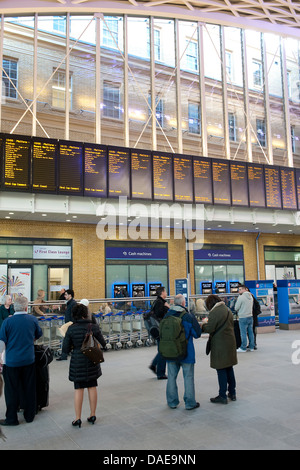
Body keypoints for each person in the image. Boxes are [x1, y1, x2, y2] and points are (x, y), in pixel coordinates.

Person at [62, 303, 106, 428]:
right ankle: (92, 415)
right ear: (85, 314)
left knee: (78, 389)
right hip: (92, 360)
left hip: (78, 362)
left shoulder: (71, 328)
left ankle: (77, 418)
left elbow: (65, 349)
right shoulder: (93, 327)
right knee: (92, 386)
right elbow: (103, 343)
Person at [0, 296, 42, 425]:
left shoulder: (7, 322)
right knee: (29, 387)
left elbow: (2, 342)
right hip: (28, 359)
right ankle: (29, 415)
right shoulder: (32, 319)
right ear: (26, 307)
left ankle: (12, 418)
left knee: (11, 390)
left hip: (12, 361)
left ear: (14, 307)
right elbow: (38, 335)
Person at [165, 294, 201, 410]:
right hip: (187, 352)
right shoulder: (188, 316)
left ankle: (172, 402)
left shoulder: (167, 315)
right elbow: (197, 334)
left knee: (171, 377)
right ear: (183, 303)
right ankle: (190, 403)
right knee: (188, 377)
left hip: (170, 352)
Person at [201, 294, 238, 404]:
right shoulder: (227, 309)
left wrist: (203, 325)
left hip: (220, 344)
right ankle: (232, 393)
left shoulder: (215, 312)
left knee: (221, 369)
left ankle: (222, 395)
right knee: (229, 368)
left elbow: (210, 328)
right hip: (230, 342)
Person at [148, 286, 170, 380]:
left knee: (162, 349)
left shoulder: (158, 301)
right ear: (162, 293)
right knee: (163, 350)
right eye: (165, 291)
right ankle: (160, 373)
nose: (166, 293)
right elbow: (159, 314)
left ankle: (153, 365)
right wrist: (167, 308)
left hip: (157, 329)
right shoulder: (160, 302)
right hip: (160, 329)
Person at [57, 289, 77, 361]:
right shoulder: (69, 303)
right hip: (69, 323)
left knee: (66, 340)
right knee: (68, 340)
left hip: (70, 324)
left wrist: (71, 323)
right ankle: (65, 355)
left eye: (66, 294)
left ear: (70, 295)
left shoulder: (73, 304)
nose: (64, 296)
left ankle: (64, 355)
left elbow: (73, 315)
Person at [234, 284, 255, 352]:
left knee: (243, 333)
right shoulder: (251, 296)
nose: (239, 291)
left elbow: (236, 308)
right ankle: (252, 346)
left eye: (240, 289)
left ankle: (243, 347)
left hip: (243, 317)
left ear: (244, 289)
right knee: (250, 332)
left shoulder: (241, 297)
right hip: (250, 316)